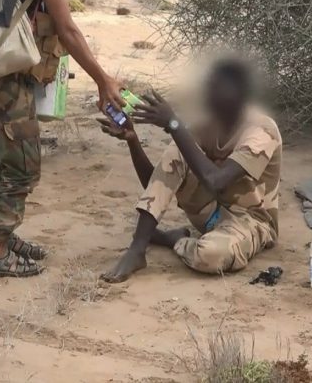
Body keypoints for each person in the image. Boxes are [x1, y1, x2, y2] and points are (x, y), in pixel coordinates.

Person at [0, 0, 124, 278]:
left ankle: (3, 234)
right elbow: (68, 30)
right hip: (8, 78)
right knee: (22, 169)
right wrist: (103, 80)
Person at [98, 59, 282, 283]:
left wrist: (174, 125)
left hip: (251, 220)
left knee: (211, 255)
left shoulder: (262, 129)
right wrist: (133, 140)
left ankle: (173, 240)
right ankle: (137, 248)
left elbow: (216, 181)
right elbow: (158, 184)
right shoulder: (207, 125)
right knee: (179, 148)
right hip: (210, 213)